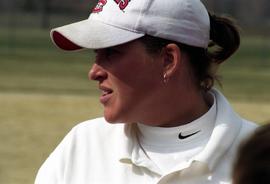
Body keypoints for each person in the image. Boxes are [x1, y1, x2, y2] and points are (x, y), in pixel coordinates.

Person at [35, 0, 258, 183]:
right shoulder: (82, 145)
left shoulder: (258, 159)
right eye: (96, 53)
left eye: (111, 53)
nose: (94, 72)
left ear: (169, 60)